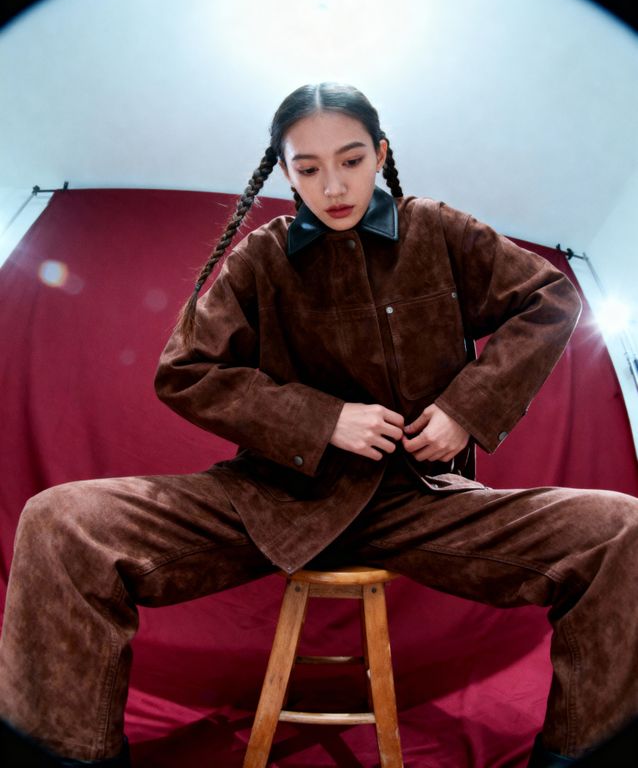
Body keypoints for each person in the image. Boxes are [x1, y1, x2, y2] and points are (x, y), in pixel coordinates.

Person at [1, 82, 637, 768]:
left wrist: (464, 410)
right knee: (60, 520)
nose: (333, 185)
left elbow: (549, 299)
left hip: (417, 502)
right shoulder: (260, 259)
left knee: (621, 530)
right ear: (284, 171)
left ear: (381, 154)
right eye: (308, 168)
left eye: (352, 160)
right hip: (271, 499)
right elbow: (184, 370)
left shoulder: (441, 232)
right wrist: (322, 419)